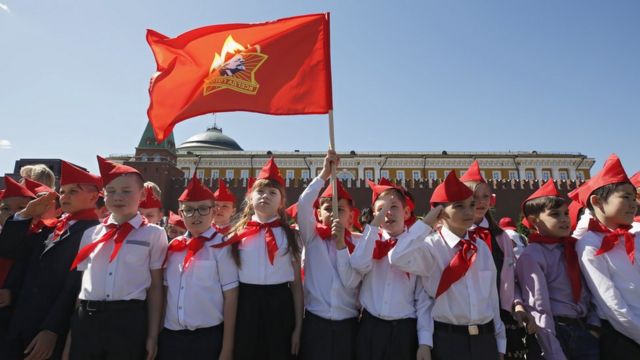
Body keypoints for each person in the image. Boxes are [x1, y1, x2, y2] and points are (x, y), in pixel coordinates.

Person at [389, 171, 507, 360]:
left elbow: (491, 298)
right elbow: (397, 257)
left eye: (471, 205)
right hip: (448, 341)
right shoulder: (430, 246)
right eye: (459, 206)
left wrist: (500, 343)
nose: (469, 212)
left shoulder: (481, 247)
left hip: (485, 340)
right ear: (441, 212)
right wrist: (427, 222)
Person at [67, 156, 168, 360]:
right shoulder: (91, 234)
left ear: (142, 194)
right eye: (111, 192)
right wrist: (72, 336)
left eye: (126, 191)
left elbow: (156, 287)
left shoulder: (154, 234)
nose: (118, 197)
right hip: (88, 317)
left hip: (128, 320)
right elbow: (82, 286)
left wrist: (152, 334)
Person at [0, 160, 102, 360]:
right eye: (62, 191)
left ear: (93, 196)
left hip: (48, 331)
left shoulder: (95, 232)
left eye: (73, 191)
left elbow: (75, 287)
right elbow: (10, 250)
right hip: (20, 323)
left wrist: (52, 328)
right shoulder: (52, 228)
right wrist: (25, 214)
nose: (64, 196)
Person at [213, 158, 303, 360]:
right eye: (260, 191)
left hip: (280, 304)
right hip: (245, 304)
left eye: (273, 192)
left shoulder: (293, 236)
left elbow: (297, 286)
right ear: (250, 197)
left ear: (282, 201)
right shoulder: (235, 236)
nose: (265, 196)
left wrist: (298, 326)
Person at [347, 178, 435, 360]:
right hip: (370, 328)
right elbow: (358, 264)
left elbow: (423, 299)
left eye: (393, 206)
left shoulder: (418, 247)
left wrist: (425, 342)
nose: (387, 213)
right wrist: (372, 228)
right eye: (381, 209)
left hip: (403, 331)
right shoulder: (369, 243)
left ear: (407, 211)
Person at [297, 150, 372, 360]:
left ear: (351, 217)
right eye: (328, 209)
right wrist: (324, 174)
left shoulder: (358, 245)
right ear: (319, 214)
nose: (333, 214)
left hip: (348, 325)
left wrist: (341, 245)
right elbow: (303, 205)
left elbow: (352, 281)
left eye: (340, 209)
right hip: (315, 322)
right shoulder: (312, 239)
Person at [516, 179, 599, 360]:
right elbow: (538, 308)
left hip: (585, 329)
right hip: (559, 332)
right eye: (555, 214)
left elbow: (591, 290)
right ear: (534, 221)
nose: (563, 219)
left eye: (566, 213)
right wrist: (554, 354)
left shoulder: (574, 248)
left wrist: (594, 326)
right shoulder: (532, 256)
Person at [460, 160, 535, 359]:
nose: (481, 201)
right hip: (462, 316)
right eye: (475, 196)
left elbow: (510, 277)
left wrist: (517, 304)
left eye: (485, 196)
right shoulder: (450, 236)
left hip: (500, 316)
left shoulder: (501, 238)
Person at [158, 175, 238, 359]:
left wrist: (227, 347)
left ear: (213, 211)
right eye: (189, 210)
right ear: (180, 212)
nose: (196, 215)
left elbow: (231, 298)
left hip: (207, 338)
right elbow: (164, 292)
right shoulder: (173, 246)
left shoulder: (222, 247)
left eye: (203, 209)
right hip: (171, 337)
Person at [575, 154, 640, 358]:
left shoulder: (634, 236)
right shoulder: (589, 243)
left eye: (634, 197)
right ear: (597, 201)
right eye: (625, 197)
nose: (633, 204)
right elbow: (611, 303)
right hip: (622, 336)